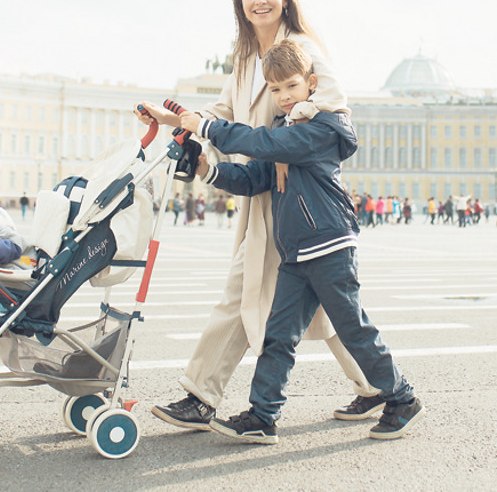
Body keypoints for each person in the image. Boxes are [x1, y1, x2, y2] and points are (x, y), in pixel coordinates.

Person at [137, 0, 379, 432]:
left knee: (244, 288)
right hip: (264, 184)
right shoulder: (246, 57)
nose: (259, 0)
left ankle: (201, 394)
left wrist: (289, 137)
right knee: (323, 296)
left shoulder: (302, 47)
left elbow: (332, 102)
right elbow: (224, 109)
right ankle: (374, 386)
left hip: (296, 189)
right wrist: (172, 118)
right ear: (239, 3)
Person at [177, 38, 424, 443]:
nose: (284, 97)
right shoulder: (283, 129)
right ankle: (262, 416)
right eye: (275, 90)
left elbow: (268, 145)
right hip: (294, 252)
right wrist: (208, 170)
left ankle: (402, 398)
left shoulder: (322, 128)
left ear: (312, 83)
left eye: (291, 86)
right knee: (278, 335)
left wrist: (207, 127)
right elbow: (255, 177)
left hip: (329, 246)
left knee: (353, 329)